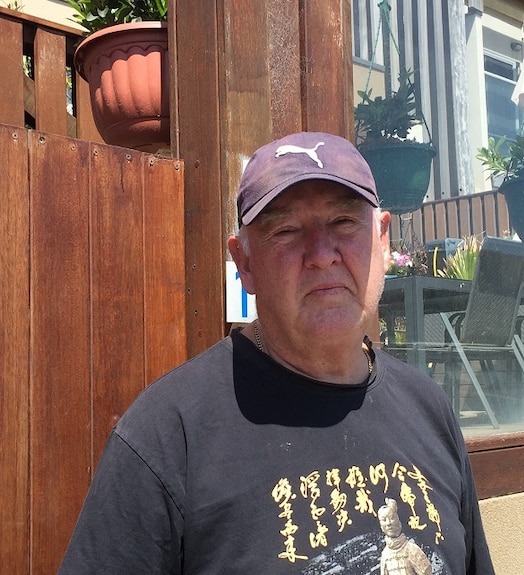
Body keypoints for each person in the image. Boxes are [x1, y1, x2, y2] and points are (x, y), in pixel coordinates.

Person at [58, 131, 496, 574]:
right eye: (286, 231)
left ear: (382, 241)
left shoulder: (430, 409)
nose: (322, 255)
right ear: (244, 263)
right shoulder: (168, 437)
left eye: (344, 222)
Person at [378, 498, 432, 575]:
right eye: (384, 520)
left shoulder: (412, 549)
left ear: (398, 521)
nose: (388, 523)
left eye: (392, 518)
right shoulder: (385, 554)